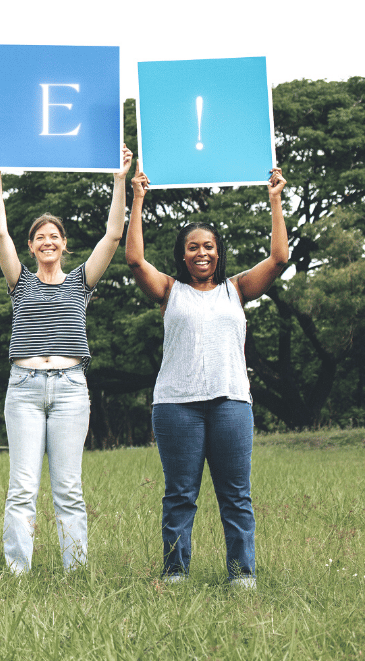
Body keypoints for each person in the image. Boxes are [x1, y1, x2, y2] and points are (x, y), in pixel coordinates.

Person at [126, 166, 288, 587]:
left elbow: (279, 259)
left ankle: (242, 574)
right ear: (182, 254)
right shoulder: (168, 290)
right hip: (176, 406)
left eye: (209, 246)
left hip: (231, 402)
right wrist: (138, 198)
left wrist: (275, 201)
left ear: (219, 251)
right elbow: (134, 259)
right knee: (180, 494)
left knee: (236, 495)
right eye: (193, 247)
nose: (202, 253)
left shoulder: (236, 289)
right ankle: (175, 571)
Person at [0, 140, 132, 574]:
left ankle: (76, 572)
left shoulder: (81, 282)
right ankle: (17, 572)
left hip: (70, 390)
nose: (47, 242)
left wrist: (119, 181)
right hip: (24, 389)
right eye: (39, 238)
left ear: (64, 245)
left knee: (68, 488)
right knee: (22, 488)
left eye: (54, 237)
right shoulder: (21, 282)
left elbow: (113, 236)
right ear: (31, 246)